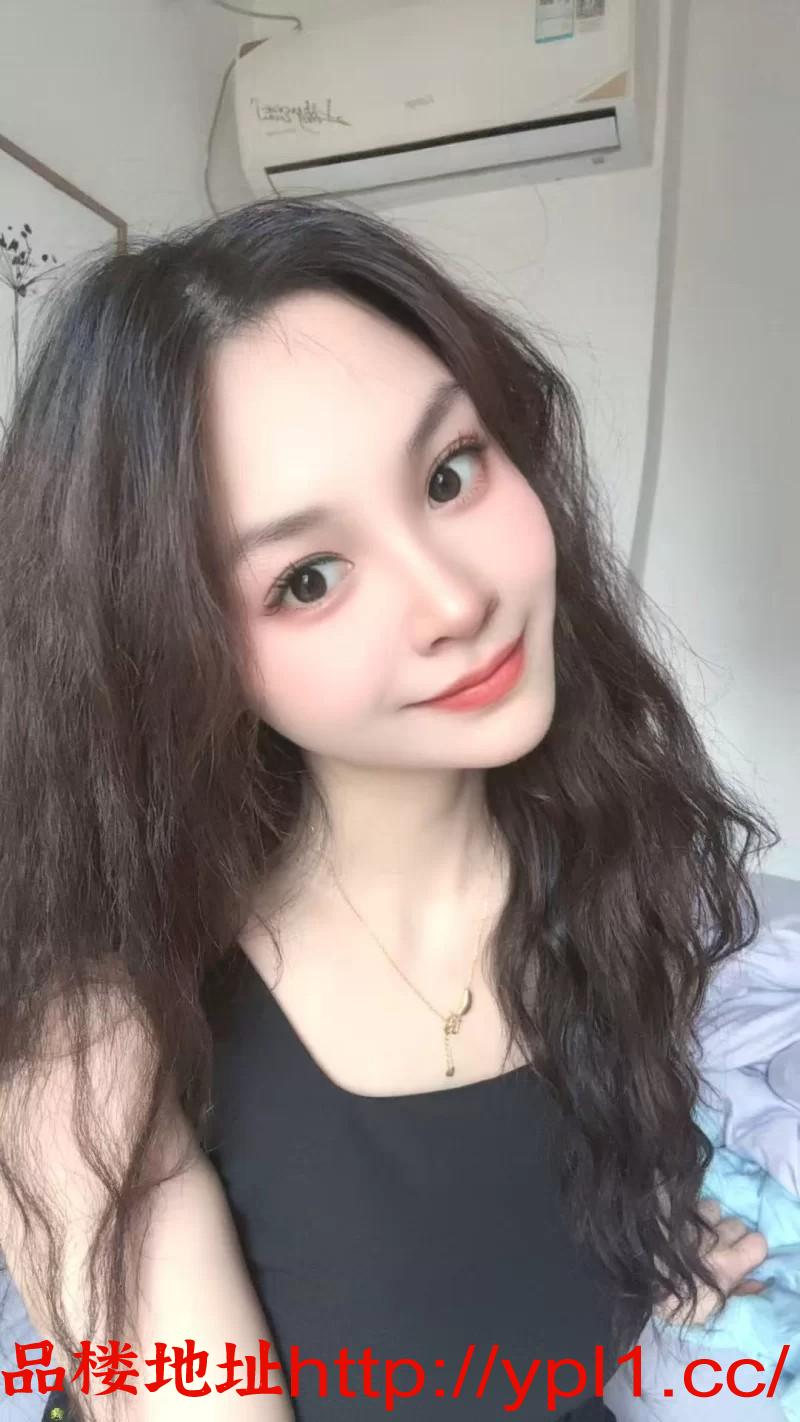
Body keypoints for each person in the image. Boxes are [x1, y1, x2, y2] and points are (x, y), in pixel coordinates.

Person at [0, 197, 778, 1422]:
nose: (452, 599)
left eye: (448, 474)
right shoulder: (93, 1064)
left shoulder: (608, 852)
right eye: (307, 578)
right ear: (174, 656)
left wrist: (658, 1240)